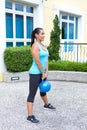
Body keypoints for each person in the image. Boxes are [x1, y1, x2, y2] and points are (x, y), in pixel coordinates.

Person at [27, 27, 56, 123]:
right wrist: (43, 72)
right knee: (32, 93)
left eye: (44, 34)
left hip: (43, 72)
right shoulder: (35, 46)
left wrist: (46, 71)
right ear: (36, 35)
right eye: (42, 34)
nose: (44, 35)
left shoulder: (43, 46)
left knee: (43, 90)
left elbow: (46, 60)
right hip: (35, 73)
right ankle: (30, 116)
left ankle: (46, 105)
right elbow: (38, 61)